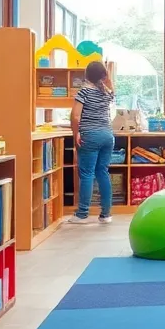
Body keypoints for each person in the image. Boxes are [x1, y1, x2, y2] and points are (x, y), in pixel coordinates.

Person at [68, 61, 116, 225]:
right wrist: (108, 78)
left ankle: (82, 214)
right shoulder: (106, 93)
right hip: (108, 136)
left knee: (87, 174)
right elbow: (112, 89)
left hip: (90, 135)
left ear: (86, 75)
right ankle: (106, 214)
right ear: (103, 76)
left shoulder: (84, 92)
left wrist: (76, 134)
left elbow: (75, 116)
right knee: (102, 172)